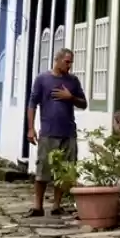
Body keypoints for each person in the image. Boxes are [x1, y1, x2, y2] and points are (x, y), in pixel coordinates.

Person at [26, 47, 87, 217]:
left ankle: (56, 205)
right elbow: (32, 104)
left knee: (64, 171)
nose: (69, 66)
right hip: (48, 132)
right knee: (43, 170)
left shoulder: (73, 81)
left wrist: (71, 98)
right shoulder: (42, 79)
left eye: (71, 63)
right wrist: (31, 128)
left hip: (68, 132)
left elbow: (83, 103)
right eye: (67, 62)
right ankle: (38, 206)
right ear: (58, 60)